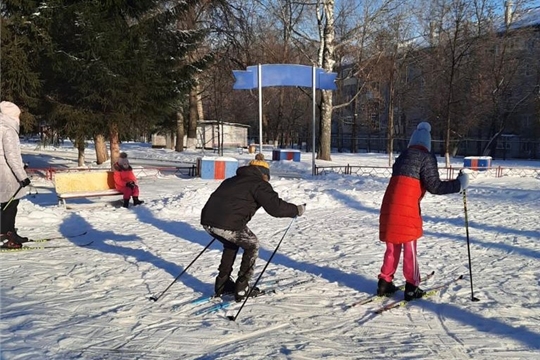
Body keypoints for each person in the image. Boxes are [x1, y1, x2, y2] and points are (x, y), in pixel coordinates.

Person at [377, 122, 469, 301]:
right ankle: (412, 287)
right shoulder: (426, 157)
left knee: (392, 246)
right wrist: (459, 184)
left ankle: (384, 282)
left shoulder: (403, 156)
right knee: (409, 248)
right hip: (407, 209)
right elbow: (434, 186)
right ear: (428, 143)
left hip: (389, 205)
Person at [200, 153, 305, 302]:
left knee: (232, 243)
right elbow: (275, 208)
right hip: (227, 224)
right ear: (264, 174)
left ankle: (222, 283)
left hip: (208, 221)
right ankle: (242, 287)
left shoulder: (232, 180)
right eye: (267, 177)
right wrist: (296, 210)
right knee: (252, 244)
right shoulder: (259, 183)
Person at [0, 101, 32, 249]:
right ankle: (6, 235)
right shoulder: (8, 130)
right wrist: (22, 176)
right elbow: (11, 156)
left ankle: (10, 232)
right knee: (10, 204)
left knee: (6, 204)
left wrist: (22, 164)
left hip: (4, 171)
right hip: (7, 174)